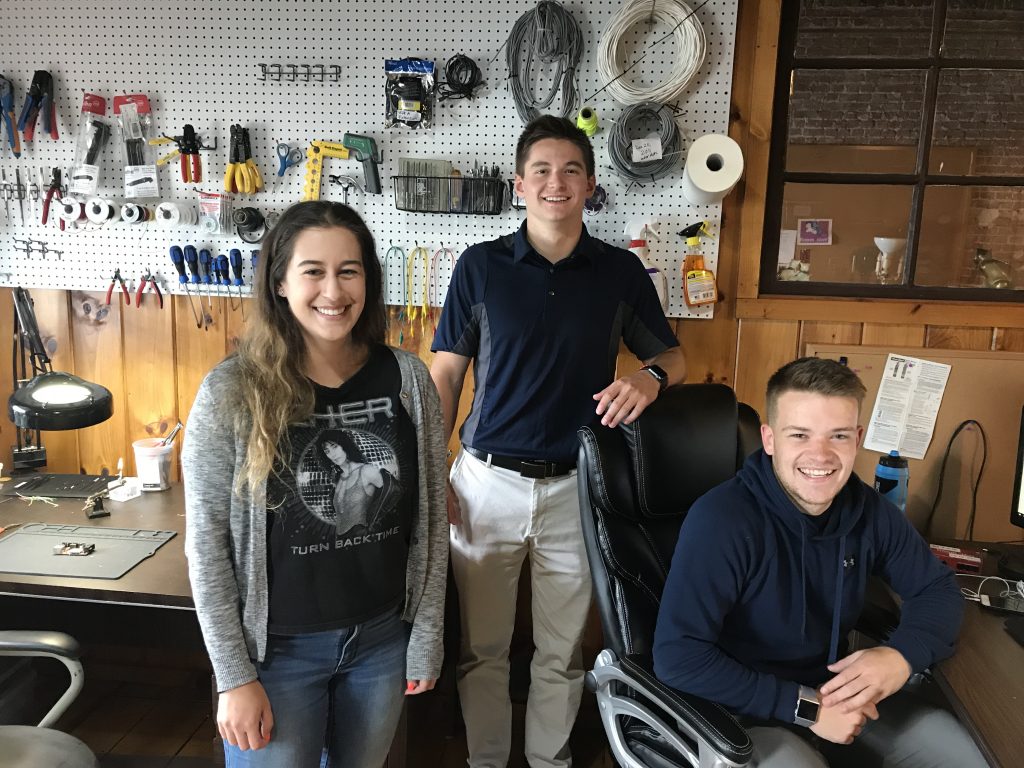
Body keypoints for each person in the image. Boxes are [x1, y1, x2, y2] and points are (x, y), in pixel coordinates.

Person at [430, 115, 686, 768]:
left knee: (562, 652)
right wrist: (433, 473)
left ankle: (550, 762)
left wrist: (650, 378)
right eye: (541, 170)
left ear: (590, 186)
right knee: (482, 649)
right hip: (485, 485)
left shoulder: (620, 272)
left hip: (578, 487)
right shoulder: (479, 268)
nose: (556, 182)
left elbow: (673, 357)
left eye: (571, 170)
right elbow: (446, 377)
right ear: (519, 185)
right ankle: (487, 761)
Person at [182, 201, 448, 767]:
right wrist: (234, 676)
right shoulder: (232, 390)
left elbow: (429, 520)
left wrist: (425, 635)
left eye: (349, 271)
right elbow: (207, 545)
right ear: (280, 282)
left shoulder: (408, 379)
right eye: (313, 271)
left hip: (380, 642)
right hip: (276, 655)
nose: (334, 290)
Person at [653, 357, 986, 767]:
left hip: (835, 695)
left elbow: (936, 589)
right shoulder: (721, 520)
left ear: (857, 439)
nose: (821, 455)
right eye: (800, 435)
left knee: (963, 755)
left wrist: (901, 656)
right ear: (769, 439)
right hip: (737, 712)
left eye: (838, 436)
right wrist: (807, 708)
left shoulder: (868, 511)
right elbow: (678, 657)